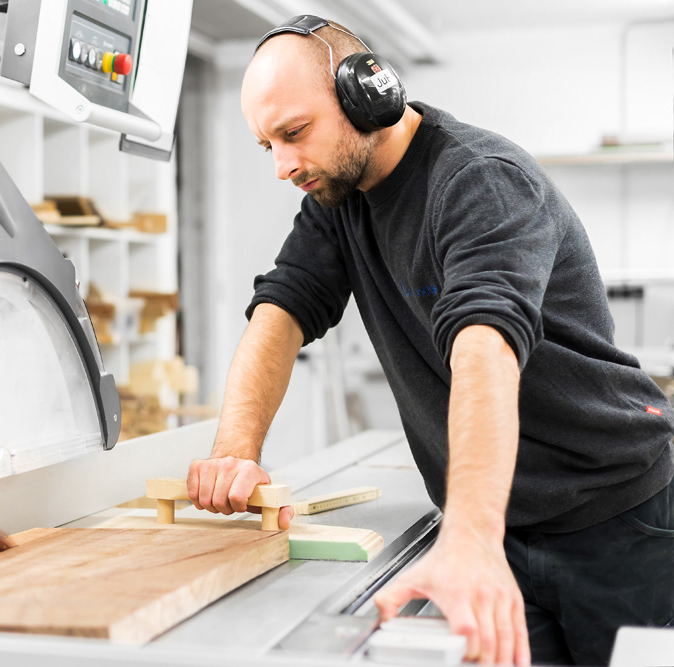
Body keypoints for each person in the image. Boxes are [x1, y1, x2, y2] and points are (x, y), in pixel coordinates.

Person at [185, 14, 674, 666]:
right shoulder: (339, 203)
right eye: (265, 144)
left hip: (618, 522)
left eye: (294, 133)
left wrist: (469, 538)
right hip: (502, 524)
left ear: (368, 93)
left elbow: (485, 348)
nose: (282, 165)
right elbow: (281, 309)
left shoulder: (479, 181)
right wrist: (234, 451)